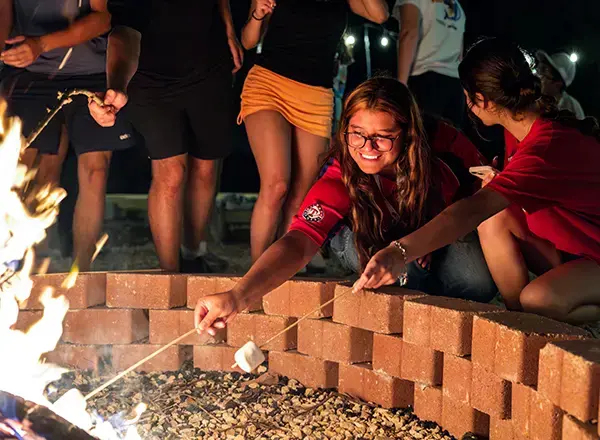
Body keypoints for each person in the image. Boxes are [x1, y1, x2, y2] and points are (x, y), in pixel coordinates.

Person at [194, 77, 497, 333]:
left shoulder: (441, 145)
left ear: (407, 134)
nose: (367, 148)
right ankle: (411, 308)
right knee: (407, 278)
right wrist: (238, 295)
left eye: (383, 137)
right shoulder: (342, 173)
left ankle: (437, 305)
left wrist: (421, 241)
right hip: (370, 236)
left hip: (435, 233)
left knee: (476, 281)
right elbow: (299, 242)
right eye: (358, 134)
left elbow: (481, 193)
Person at [354, 38, 600, 325]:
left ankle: (542, 316)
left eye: (467, 96)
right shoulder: (520, 130)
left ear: (481, 100)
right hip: (575, 249)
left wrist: (399, 251)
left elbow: (469, 211)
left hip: (593, 258)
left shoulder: (543, 147)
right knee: (493, 218)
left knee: (539, 299)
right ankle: (522, 323)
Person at [91, 0, 243, 273]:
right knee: (170, 173)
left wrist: (229, 30)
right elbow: (123, 31)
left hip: (208, 65)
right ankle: (169, 275)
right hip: (151, 79)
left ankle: (194, 253)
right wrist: (116, 84)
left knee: (206, 167)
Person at [239, 0, 389, 264]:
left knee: (301, 195)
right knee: (276, 185)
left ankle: (281, 272)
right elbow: (249, 41)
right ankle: (254, 275)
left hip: (315, 96)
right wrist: (257, 13)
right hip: (269, 84)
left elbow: (380, 14)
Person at [0, 0, 136, 271]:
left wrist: (41, 44)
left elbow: (102, 19)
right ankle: (35, 270)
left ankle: (82, 272)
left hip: (92, 71)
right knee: (35, 173)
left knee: (95, 172)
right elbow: (4, 22)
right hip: (33, 74)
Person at [394, 0, 466, 128]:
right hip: (455, 84)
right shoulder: (457, 6)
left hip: (425, 81)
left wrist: (400, 86)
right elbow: (460, 54)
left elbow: (409, 33)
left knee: (421, 140)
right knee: (450, 143)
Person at [536, 50, 584, 120]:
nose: (538, 75)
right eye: (539, 68)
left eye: (544, 70)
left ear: (558, 83)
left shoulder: (571, 107)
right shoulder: (530, 95)